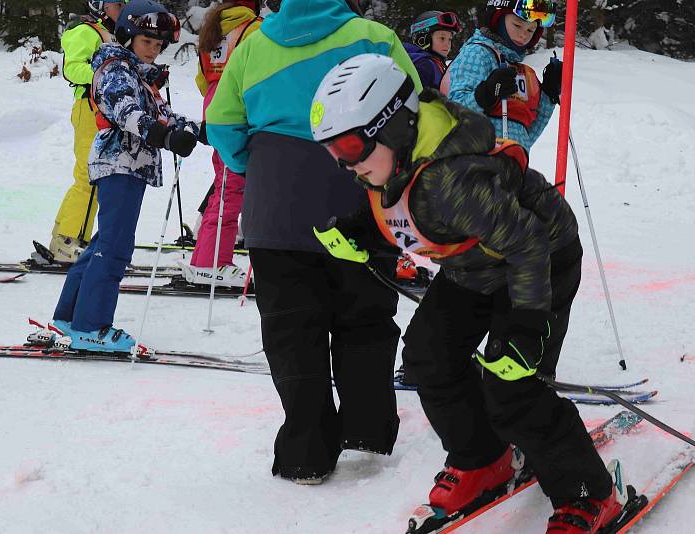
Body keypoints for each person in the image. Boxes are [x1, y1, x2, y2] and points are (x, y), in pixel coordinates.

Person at [310, 53, 630, 534]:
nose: (346, 164)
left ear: (393, 127)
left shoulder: (449, 180)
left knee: (514, 386)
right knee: (428, 358)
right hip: (474, 267)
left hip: (539, 262)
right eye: (333, 153)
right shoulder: (389, 164)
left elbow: (526, 244)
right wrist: (362, 233)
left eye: (352, 146)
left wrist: (526, 325)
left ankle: (590, 493)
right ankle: (484, 457)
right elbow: (404, 214)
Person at [205, 0, 422, 484]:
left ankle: (305, 451)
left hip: (276, 207)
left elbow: (220, 123)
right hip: (359, 199)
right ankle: (368, 431)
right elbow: (416, 106)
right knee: (365, 319)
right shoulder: (373, 36)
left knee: (290, 333)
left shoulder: (253, 46)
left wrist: (254, 166)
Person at [51, 0, 199, 352]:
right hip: (119, 163)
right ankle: (92, 326)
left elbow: (163, 116)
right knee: (116, 247)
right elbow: (126, 111)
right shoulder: (116, 69)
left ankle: (70, 316)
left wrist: (199, 130)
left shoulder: (139, 75)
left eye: (159, 44)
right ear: (129, 37)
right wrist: (163, 136)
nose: (154, 49)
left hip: (127, 165)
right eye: (147, 42)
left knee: (104, 243)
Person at [178, 0, 262, 288]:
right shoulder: (253, 28)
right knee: (231, 187)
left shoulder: (213, 27)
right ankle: (210, 262)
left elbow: (203, 80)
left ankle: (209, 257)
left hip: (215, 107)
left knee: (226, 184)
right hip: (240, 108)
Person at [40, 0, 127, 265]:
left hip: (103, 110)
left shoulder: (113, 33)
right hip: (89, 109)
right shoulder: (86, 30)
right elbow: (72, 68)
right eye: (116, 3)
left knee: (89, 177)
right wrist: (107, 73)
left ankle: (64, 236)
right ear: (100, 6)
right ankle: (69, 240)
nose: (122, 8)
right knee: (90, 177)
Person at [446, 0, 562, 152]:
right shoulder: (478, 54)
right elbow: (453, 113)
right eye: (517, 25)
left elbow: (525, 135)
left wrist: (548, 94)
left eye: (530, 30)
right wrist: (486, 93)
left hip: (511, 167)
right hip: (474, 164)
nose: (523, 35)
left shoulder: (522, 72)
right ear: (497, 19)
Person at [403, 10, 461, 90]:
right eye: (442, 38)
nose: (447, 44)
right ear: (423, 39)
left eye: (450, 39)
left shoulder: (434, 63)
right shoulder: (423, 65)